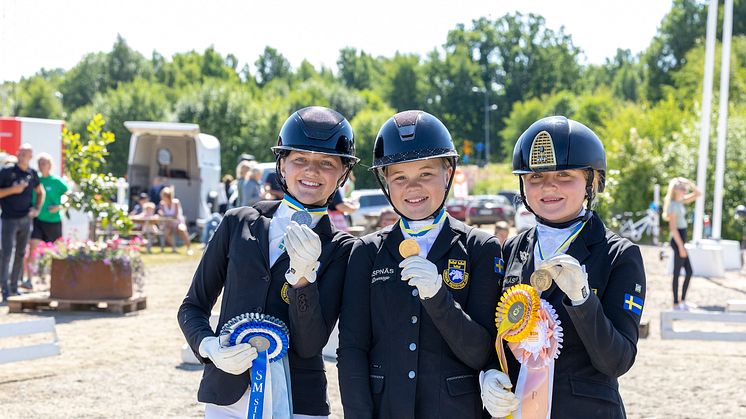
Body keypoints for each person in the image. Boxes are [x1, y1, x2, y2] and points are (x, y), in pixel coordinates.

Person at [178, 106, 359, 418]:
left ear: (342, 172)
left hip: (298, 403)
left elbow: (310, 343)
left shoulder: (343, 249)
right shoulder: (237, 222)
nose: (311, 171)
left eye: (326, 163)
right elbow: (192, 307)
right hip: (226, 396)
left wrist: (303, 281)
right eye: (300, 159)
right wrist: (209, 348)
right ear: (282, 164)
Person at [337, 110, 502, 418]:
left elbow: (481, 351)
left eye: (425, 174)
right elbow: (352, 350)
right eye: (399, 177)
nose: (412, 188)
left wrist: (439, 298)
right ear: (385, 182)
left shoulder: (481, 248)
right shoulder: (367, 251)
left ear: (448, 171)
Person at [480, 116, 646, 418]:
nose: (549, 187)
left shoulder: (618, 255)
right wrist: (489, 372)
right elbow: (495, 336)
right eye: (535, 178)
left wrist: (583, 301)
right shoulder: (511, 250)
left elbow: (616, 361)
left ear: (591, 182)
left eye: (564, 175)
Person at [0, 144, 44, 302]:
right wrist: (13, 190)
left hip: (26, 219)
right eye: (21, 153)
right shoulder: (7, 172)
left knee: (20, 253)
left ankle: (14, 287)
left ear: (31, 156)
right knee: (6, 254)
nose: (24, 156)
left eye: (27, 154)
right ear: (17, 154)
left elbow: (40, 192)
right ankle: (4, 288)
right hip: (8, 218)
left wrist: (37, 209)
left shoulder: (32, 174)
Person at [25, 153, 68, 289]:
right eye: (40, 163)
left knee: (57, 251)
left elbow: (68, 195)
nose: (42, 166)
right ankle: (29, 279)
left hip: (54, 221)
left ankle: (57, 280)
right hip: (38, 221)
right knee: (32, 248)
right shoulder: (35, 181)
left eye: (45, 163)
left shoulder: (57, 181)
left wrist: (60, 206)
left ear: (50, 165)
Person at [663, 177, 700, 311]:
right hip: (677, 240)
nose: (684, 190)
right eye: (682, 187)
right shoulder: (673, 205)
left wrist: (688, 182)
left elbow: (698, 194)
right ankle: (676, 303)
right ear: (675, 190)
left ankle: (683, 301)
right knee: (678, 273)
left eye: (685, 188)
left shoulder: (680, 202)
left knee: (689, 271)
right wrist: (681, 246)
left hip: (682, 240)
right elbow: (673, 228)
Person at [158, 186, 192, 255]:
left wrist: (166, 217)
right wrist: (165, 217)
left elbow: (176, 216)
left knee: (182, 230)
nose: (163, 198)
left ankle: (189, 248)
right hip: (168, 223)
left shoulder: (176, 202)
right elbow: (163, 215)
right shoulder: (162, 204)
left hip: (178, 222)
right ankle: (175, 246)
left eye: (165, 196)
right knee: (166, 233)